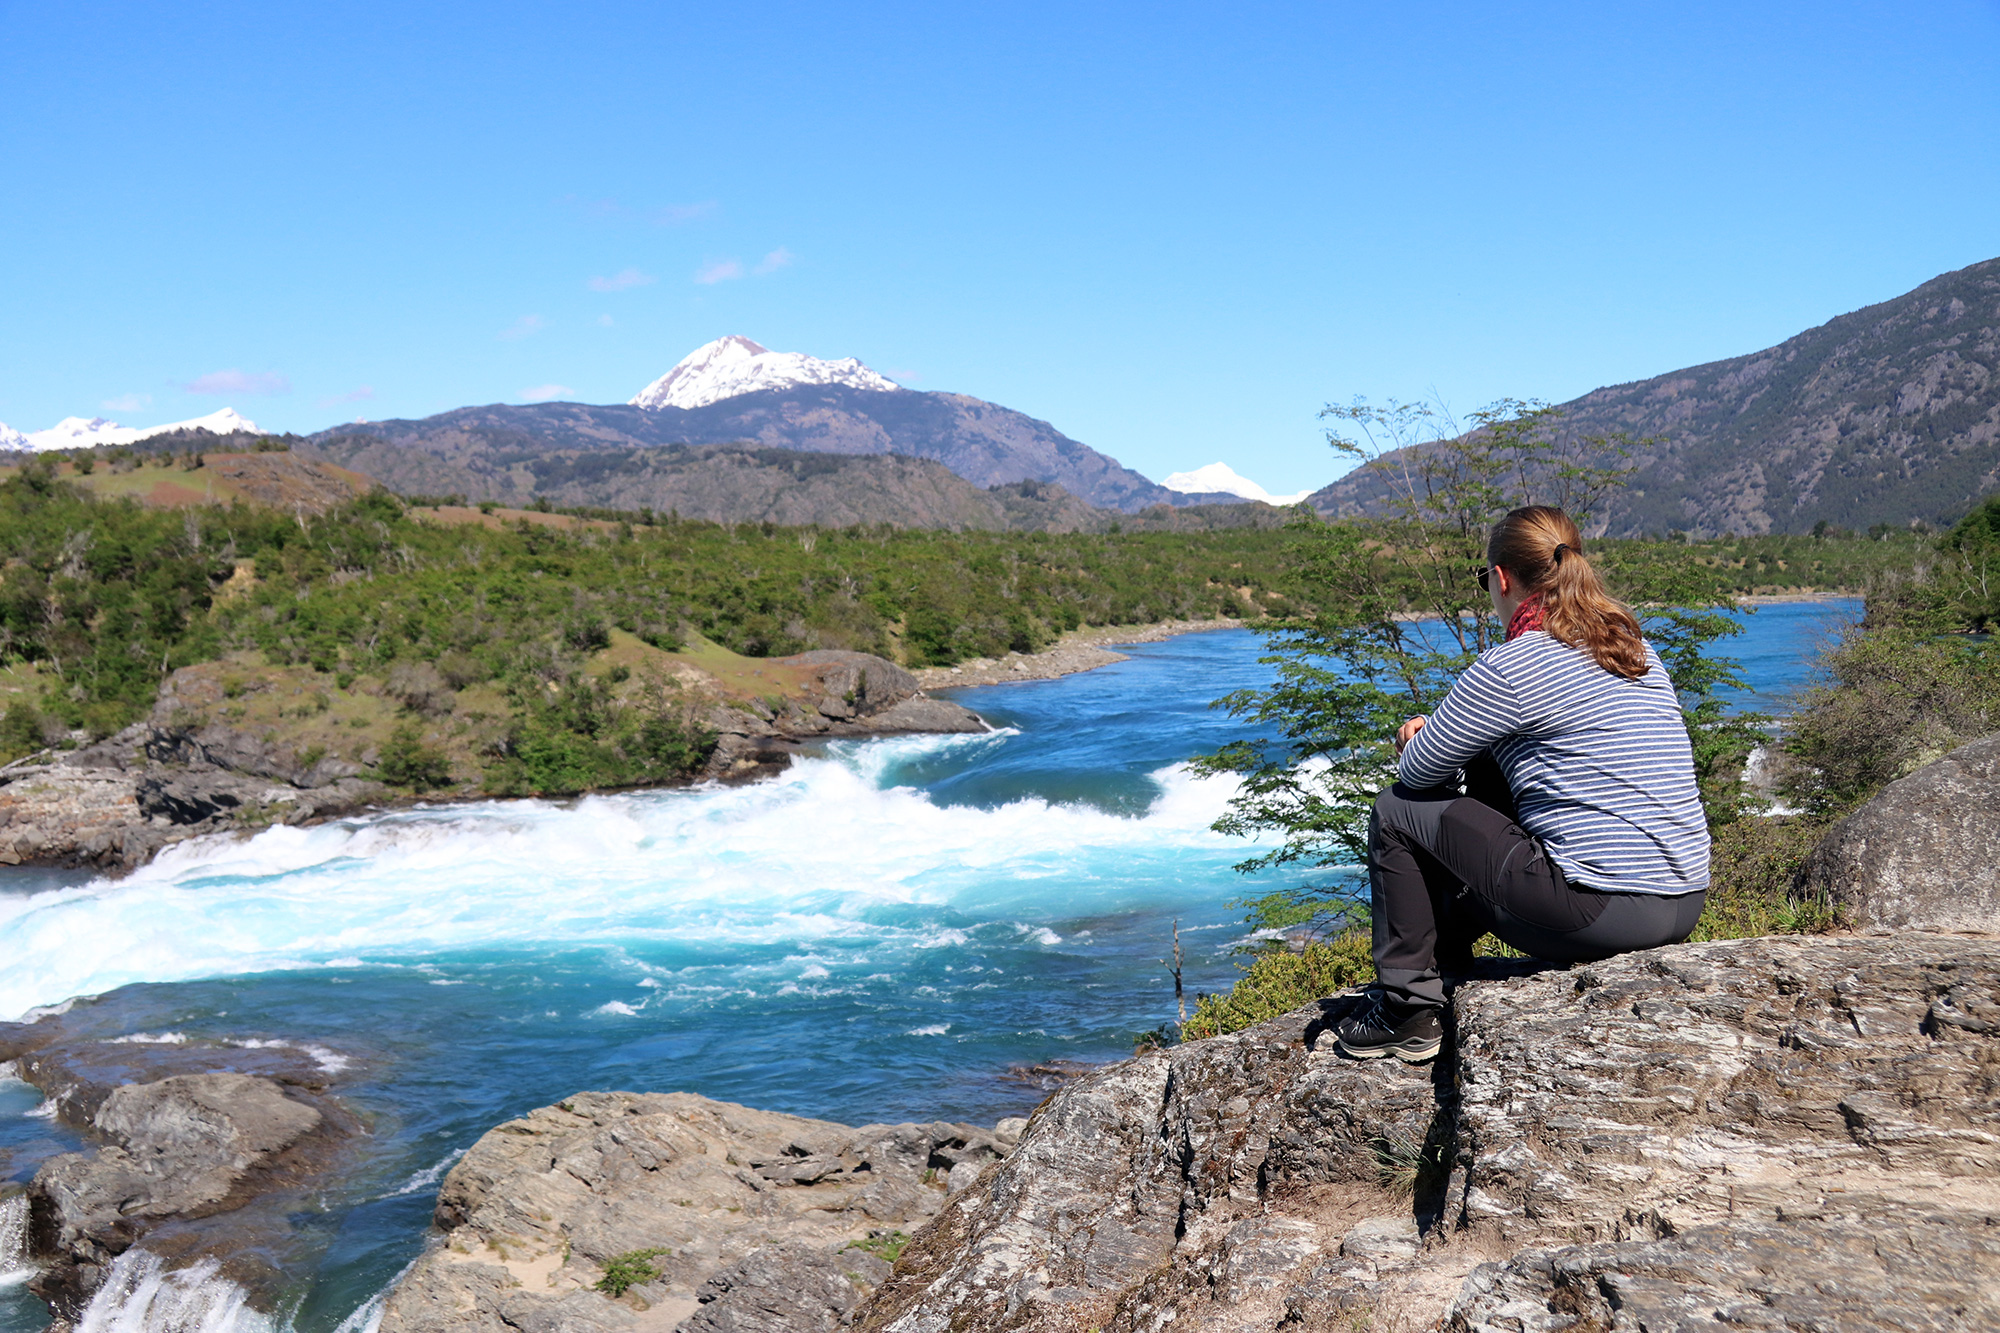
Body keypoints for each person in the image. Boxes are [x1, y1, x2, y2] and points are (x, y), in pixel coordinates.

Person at [1333, 504, 1710, 1062]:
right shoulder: (1636, 650)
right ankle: (1445, 962)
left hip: (1599, 912)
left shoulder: (1515, 664)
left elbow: (1417, 776)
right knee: (1488, 770)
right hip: (1685, 899)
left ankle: (1407, 1008)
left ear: (1502, 578)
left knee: (1396, 811)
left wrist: (1419, 738)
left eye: (1484, 578)